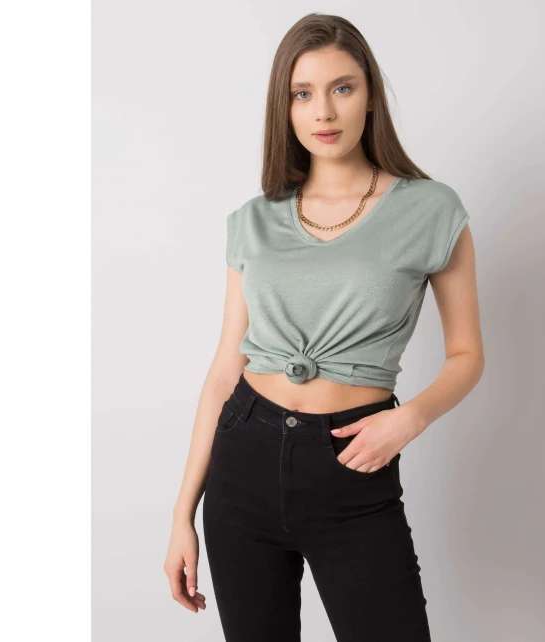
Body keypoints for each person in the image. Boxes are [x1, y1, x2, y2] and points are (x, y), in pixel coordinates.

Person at [164, 13, 484, 642]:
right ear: (283, 108)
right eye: (302, 93)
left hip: (354, 461)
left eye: (342, 87)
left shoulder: (430, 209)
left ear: (370, 95)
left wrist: (408, 419)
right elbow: (225, 368)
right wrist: (182, 514)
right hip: (242, 463)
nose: (324, 111)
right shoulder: (253, 220)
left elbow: (468, 353)